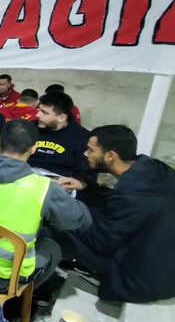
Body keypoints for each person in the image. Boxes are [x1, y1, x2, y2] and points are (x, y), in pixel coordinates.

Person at [0, 119, 92, 292]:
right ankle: (26, 301)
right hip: (0, 278)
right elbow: (81, 220)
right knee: (53, 247)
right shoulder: (43, 188)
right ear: (33, 149)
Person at [50, 126, 175, 303]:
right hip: (160, 261)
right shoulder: (154, 171)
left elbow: (99, 241)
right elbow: (123, 203)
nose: (86, 154)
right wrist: (86, 187)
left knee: (52, 225)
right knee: (86, 206)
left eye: (91, 150)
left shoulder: (130, 196)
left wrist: (58, 212)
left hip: (140, 280)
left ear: (110, 156)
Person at [28, 91, 96, 190]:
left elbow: (87, 173)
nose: (38, 115)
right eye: (39, 110)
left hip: (59, 185)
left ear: (62, 117)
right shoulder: (30, 127)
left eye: (44, 112)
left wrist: (80, 183)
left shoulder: (81, 137)